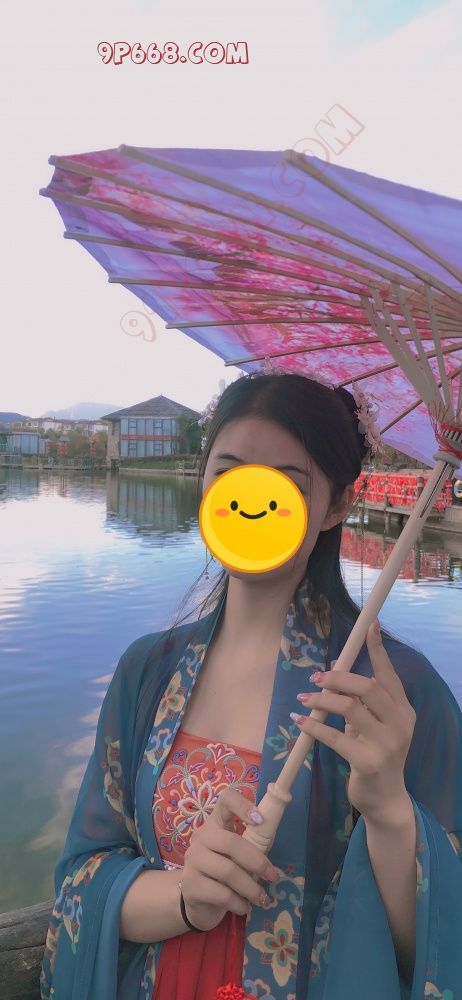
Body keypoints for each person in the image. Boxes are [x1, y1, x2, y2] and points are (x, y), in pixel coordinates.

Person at [40, 371, 462, 1000]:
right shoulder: (148, 671)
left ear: (337, 505)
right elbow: (84, 875)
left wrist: (389, 813)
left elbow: (439, 943)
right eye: (229, 472)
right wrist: (185, 897)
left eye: (287, 482)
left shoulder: (393, 695)